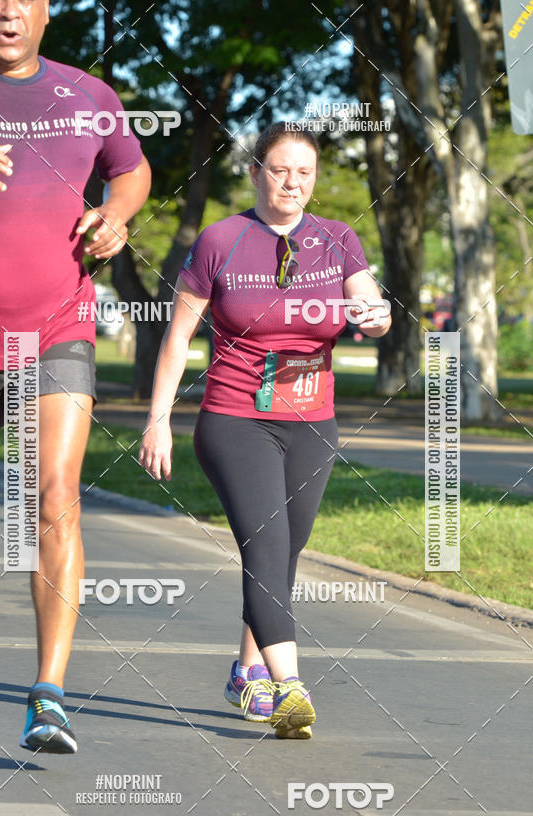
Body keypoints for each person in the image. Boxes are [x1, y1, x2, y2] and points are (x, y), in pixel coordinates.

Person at [0, 0, 151, 753]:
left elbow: (132, 169)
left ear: (45, 11)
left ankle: (48, 695)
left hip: (55, 330)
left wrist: (117, 215)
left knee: (55, 499)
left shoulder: (88, 95)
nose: (6, 10)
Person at [139, 122, 390, 739]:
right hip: (234, 418)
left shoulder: (337, 240)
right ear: (255, 172)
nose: (293, 183)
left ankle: (246, 671)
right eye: (280, 170)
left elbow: (371, 309)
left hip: (312, 422)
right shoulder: (221, 240)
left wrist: (377, 316)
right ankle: (291, 686)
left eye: (305, 173)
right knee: (265, 543)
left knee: (282, 554)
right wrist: (158, 420)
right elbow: (177, 340)